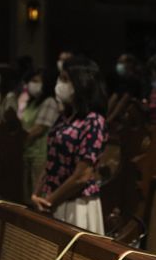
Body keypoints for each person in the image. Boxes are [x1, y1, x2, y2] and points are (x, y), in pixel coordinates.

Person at [32, 56, 108, 234]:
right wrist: (37, 194)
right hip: (53, 200)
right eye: (60, 78)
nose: (60, 84)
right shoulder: (64, 117)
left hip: (76, 204)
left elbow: (82, 175)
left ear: (81, 82)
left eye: (65, 79)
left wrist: (50, 200)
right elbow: (52, 160)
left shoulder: (94, 120)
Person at [20, 68, 59, 204]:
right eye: (31, 81)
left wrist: (21, 140)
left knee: (37, 193)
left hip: (40, 153)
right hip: (27, 151)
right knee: (25, 194)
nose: (33, 84)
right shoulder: (32, 103)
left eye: (37, 81)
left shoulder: (49, 101)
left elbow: (40, 128)